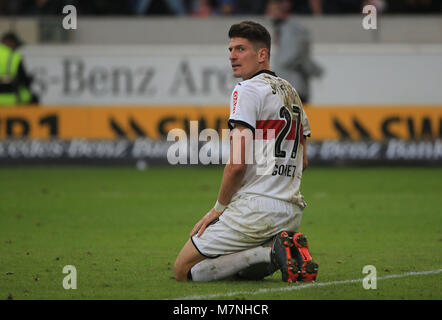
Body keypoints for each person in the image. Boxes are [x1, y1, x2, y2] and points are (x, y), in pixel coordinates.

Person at [174, 21, 318, 283]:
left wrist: (218, 209)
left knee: (182, 270)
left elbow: (237, 163)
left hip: (254, 208)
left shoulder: (247, 89)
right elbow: (303, 161)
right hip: (291, 210)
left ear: (262, 54)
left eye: (241, 49)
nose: (232, 56)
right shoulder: (291, 92)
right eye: (230, 49)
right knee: (236, 269)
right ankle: (278, 249)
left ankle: (271, 255)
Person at [267, 0, 323, 104]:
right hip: (283, 89)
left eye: (274, 9)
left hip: (294, 88)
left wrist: (314, 70)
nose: (270, 13)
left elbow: (295, 57)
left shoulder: (295, 29)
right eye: (270, 9)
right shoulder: (279, 28)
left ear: (284, 7)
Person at [0, 32, 37, 106]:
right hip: (12, 100)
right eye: (16, 45)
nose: (16, 48)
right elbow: (23, 80)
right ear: (8, 42)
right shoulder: (13, 57)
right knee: (33, 98)